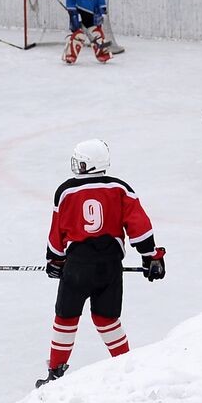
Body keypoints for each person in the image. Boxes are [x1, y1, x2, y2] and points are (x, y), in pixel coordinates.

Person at [37, 139, 165, 388]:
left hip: (77, 266)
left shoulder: (65, 190)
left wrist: (55, 259)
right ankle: (126, 367)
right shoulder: (120, 188)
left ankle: (55, 373)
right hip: (110, 265)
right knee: (107, 319)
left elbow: (58, 231)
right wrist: (151, 257)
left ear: (86, 164)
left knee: (66, 318)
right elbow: (140, 227)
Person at [64, 0, 111, 64]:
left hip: (92, 18)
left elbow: (101, 2)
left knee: (97, 35)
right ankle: (70, 56)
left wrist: (101, 12)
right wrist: (74, 16)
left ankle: (102, 54)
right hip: (78, 17)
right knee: (78, 36)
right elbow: (70, 5)